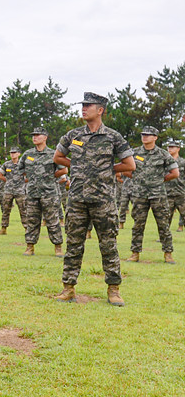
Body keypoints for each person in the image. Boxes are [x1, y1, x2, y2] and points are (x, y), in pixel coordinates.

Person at [53, 93, 135, 305]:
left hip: (103, 200)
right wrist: (79, 167)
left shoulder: (113, 137)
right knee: (74, 245)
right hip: (77, 198)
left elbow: (130, 164)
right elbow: (58, 157)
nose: (83, 109)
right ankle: (68, 288)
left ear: (100, 110)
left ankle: (114, 290)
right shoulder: (73, 135)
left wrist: (107, 168)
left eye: (88, 106)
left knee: (108, 244)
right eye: (83, 105)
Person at [123, 126, 178, 264]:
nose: (145, 137)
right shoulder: (134, 153)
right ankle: (135, 253)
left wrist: (160, 180)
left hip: (157, 194)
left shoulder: (163, 154)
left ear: (155, 137)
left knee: (163, 224)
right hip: (139, 194)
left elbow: (175, 173)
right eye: (143, 134)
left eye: (148, 135)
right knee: (137, 225)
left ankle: (168, 253)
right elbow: (125, 169)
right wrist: (136, 179)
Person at [19, 127, 66, 257]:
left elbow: (64, 170)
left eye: (38, 135)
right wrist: (31, 177)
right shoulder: (28, 154)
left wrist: (50, 177)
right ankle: (30, 247)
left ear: (45, 137)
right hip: (32, 193)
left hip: (49, 193)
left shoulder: (53, 154)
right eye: (33, 135)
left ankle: (58, 247)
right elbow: (20, 169)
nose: (35, 137)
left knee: (52, 221)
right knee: (32, 221)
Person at [0, 146, 26, 235]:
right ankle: (3, 229)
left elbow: (28, 176)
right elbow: (0, 175)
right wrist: (9, 181)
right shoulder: (6, 164)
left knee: (23, 210)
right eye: (11, 153)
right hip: (8, 190)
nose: (12, 154)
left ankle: (27, 229)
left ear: (18, 154)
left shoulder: (23, 164)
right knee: (5, 210)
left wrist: (21, 182)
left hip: (20, 191)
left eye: (14, 152)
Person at [166, 141, 185, 232]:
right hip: (167, 193)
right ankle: (164, 238)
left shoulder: (183, 162)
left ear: (178, 149)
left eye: (173, 147)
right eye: (169, 147)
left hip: (181, 193)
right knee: (165, 217)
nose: (170, 149)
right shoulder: (165, 162)